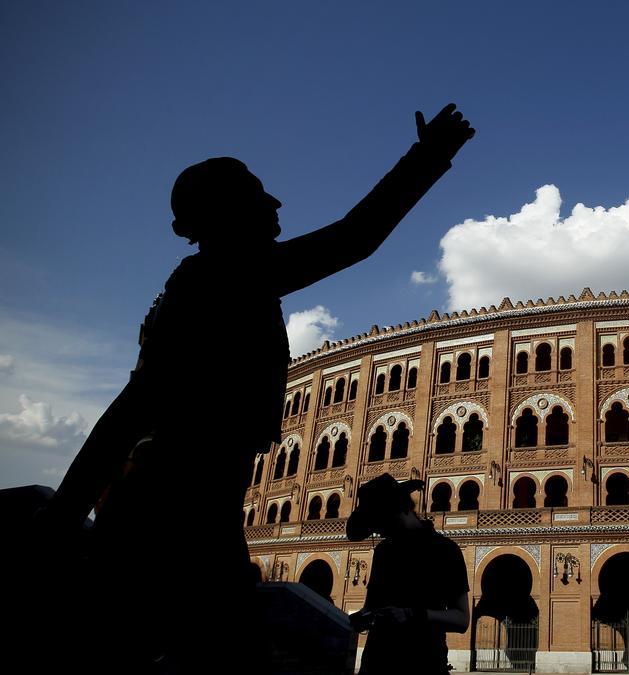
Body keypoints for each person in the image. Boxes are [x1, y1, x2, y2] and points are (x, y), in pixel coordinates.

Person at [34, 105, 474, 673]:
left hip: (195, 498)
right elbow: (354, 239)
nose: (276, 205)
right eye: (257, 194)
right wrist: (428, 156)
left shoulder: (212, 282)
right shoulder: (220, 276)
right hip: (179, 501)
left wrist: (67, 511)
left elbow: (132, 408)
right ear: (220, 216)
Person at [346, 473, 470, 673]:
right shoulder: (383, 551)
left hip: (423, 663)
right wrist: (359, 618)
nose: (381, 533)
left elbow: (462, 619)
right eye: (376, 527)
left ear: (403, 507)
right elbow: (370, 607)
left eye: (383, 522)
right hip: (377, 663)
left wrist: (413, 615)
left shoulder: (445, 550)